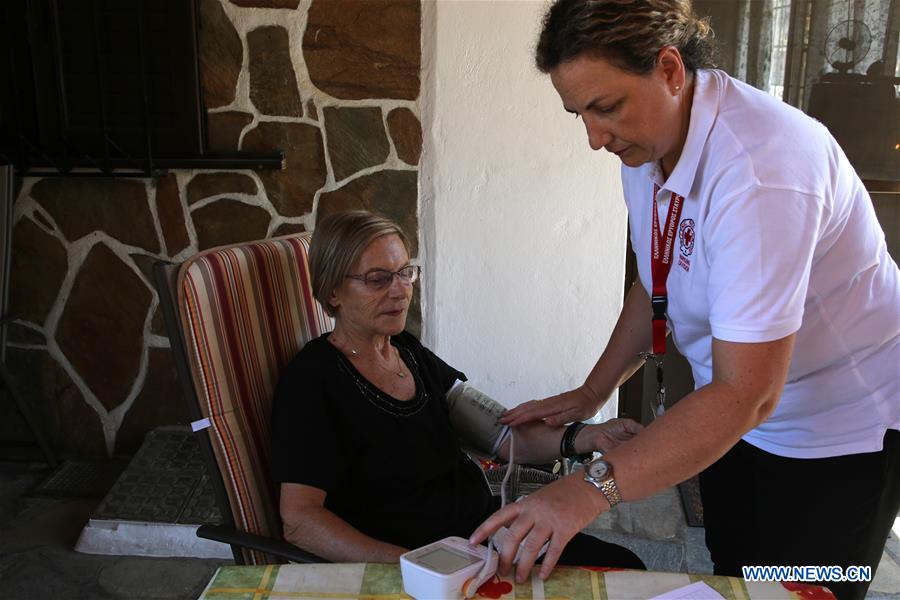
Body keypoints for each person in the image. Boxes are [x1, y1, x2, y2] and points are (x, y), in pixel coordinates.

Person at [468, 2, 900, 599]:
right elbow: (657, 281)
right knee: (733, 572)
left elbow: (749, 392)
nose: (594, 139)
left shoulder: (760, 171)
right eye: (579, 114)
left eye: (606, 107)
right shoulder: (648, 143)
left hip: (836, 428)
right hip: (734, 413)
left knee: (803, 588)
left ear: (670, 70)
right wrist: (593, 392)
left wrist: (588, 489)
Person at [271, 210, 645, 569]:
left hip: (483, 539)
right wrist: (413, 566)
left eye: (404, 273)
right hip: (416, 564)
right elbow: (301, 521)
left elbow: (501, 435)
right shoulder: (312, 382)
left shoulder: (408, 353)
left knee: (624, 567)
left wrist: (589, 436)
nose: (400, 291)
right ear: (333, 290)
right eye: (378, 278)